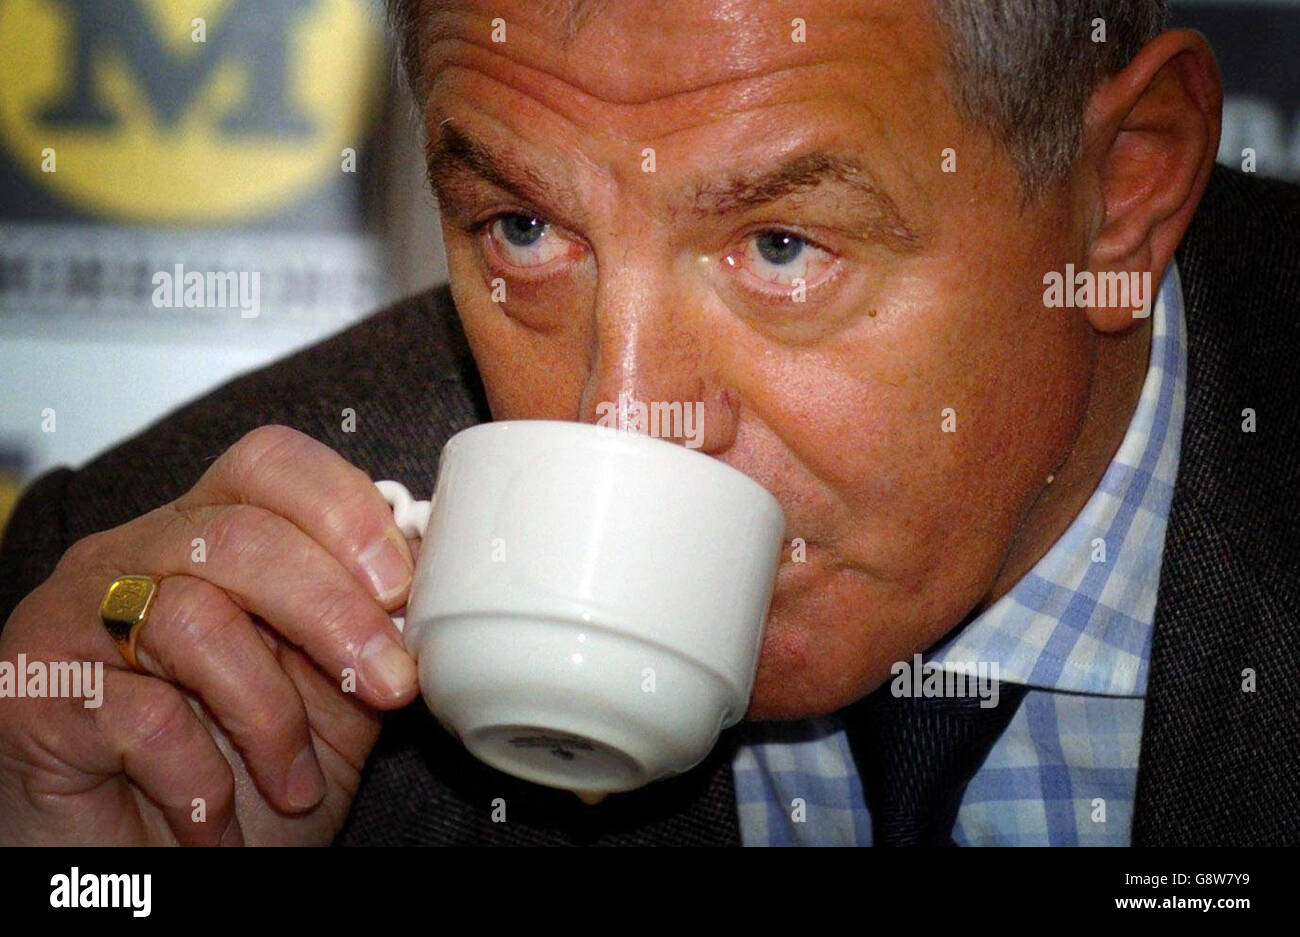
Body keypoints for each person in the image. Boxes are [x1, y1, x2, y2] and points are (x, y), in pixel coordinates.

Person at [0, 0, 1295, 846]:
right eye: (525, 228)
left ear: (1121, 191)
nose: (623, 418)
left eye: (781, 246)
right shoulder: (157, 626)